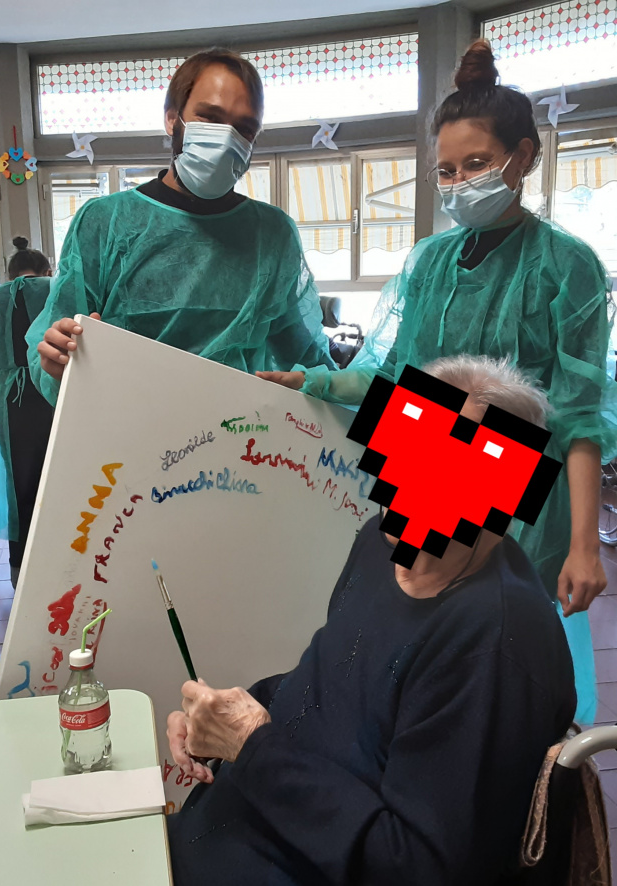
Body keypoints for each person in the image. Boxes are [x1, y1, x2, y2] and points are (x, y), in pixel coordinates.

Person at [259, 39, 616, 724]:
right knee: (412, 636)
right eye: (446, 170)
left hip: (514, 482)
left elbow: (578, 416)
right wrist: (312, 380)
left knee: (501, 648)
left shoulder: (564, 266)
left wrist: (581, 546)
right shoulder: (429, 262)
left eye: (476, 164)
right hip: (422, 460)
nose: (459, 182)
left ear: (524, 157)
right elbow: (394, 376)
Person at [166, 355, 576, 885]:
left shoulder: (493, 645)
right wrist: (224, 720)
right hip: (240, 826)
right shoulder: (381, 544)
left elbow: (414, 866)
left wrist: (253, 747)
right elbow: (331, 685)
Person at [28, 48, 334, 405]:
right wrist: (57, 357)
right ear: (172, 119)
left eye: (244, 129)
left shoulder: (272, 233)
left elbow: (306, 359)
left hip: (236, 430)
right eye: (210, 118)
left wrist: (339, 390)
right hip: (126, 425)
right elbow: (56, 353)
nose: (226, 138)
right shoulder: (105, 222)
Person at [0, 236, 55, 586]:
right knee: (60, 479)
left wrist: (7, 383)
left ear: (8, 275)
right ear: (48, 270)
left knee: (20, 485)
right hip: (57, 395)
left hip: (12, 403)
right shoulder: (57, 290)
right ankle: (63, 565)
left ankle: (21, 572)